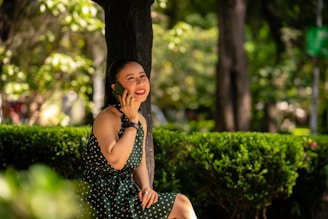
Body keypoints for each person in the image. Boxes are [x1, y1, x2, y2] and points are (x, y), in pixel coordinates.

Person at [79, 59, 197, 219]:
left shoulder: (141, 120)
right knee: (180, 204)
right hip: (102, 201)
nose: (140, 82)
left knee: (180, 205)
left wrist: (147, 189)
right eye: (131, 78)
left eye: (142, 76)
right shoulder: (106, 118)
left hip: (127, 196)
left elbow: (140, 162)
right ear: (116, 88)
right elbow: (117, 161)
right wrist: (131, 122)